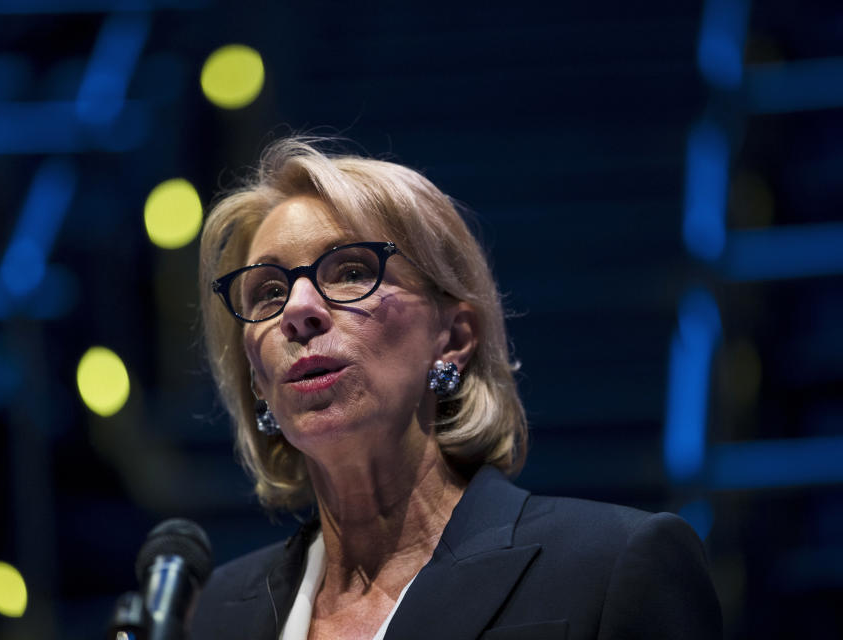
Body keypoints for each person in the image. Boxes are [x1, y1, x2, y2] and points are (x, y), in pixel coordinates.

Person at [191, 137, 721, 639]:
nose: (299, 310)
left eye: (350, 271)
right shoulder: (207, 618)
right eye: (267, 292)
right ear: (256, 378)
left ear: (455, 337)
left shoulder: (609, 567)